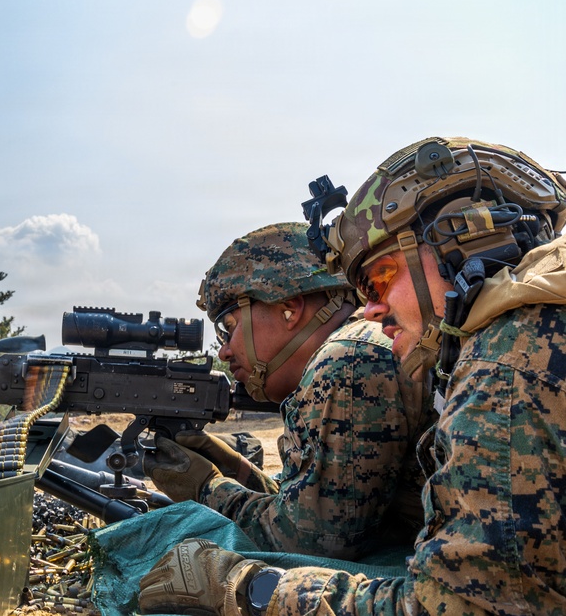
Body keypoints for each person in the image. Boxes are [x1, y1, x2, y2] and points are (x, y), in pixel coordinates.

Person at [139, 136, 566, 615]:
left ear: (466, 238)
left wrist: (243, 587)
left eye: (381, 278)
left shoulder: (507, 363)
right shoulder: (523, 333)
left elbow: (459, 605)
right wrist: (233, 473)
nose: (371, 308)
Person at [142, 221, 433, 560]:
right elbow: (325, 511)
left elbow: (308, 544)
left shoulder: (346, 360)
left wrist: (207, 488)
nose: (223, 351)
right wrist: (237, 471)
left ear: (290, 309)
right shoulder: (365, 343)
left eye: (227, 327)